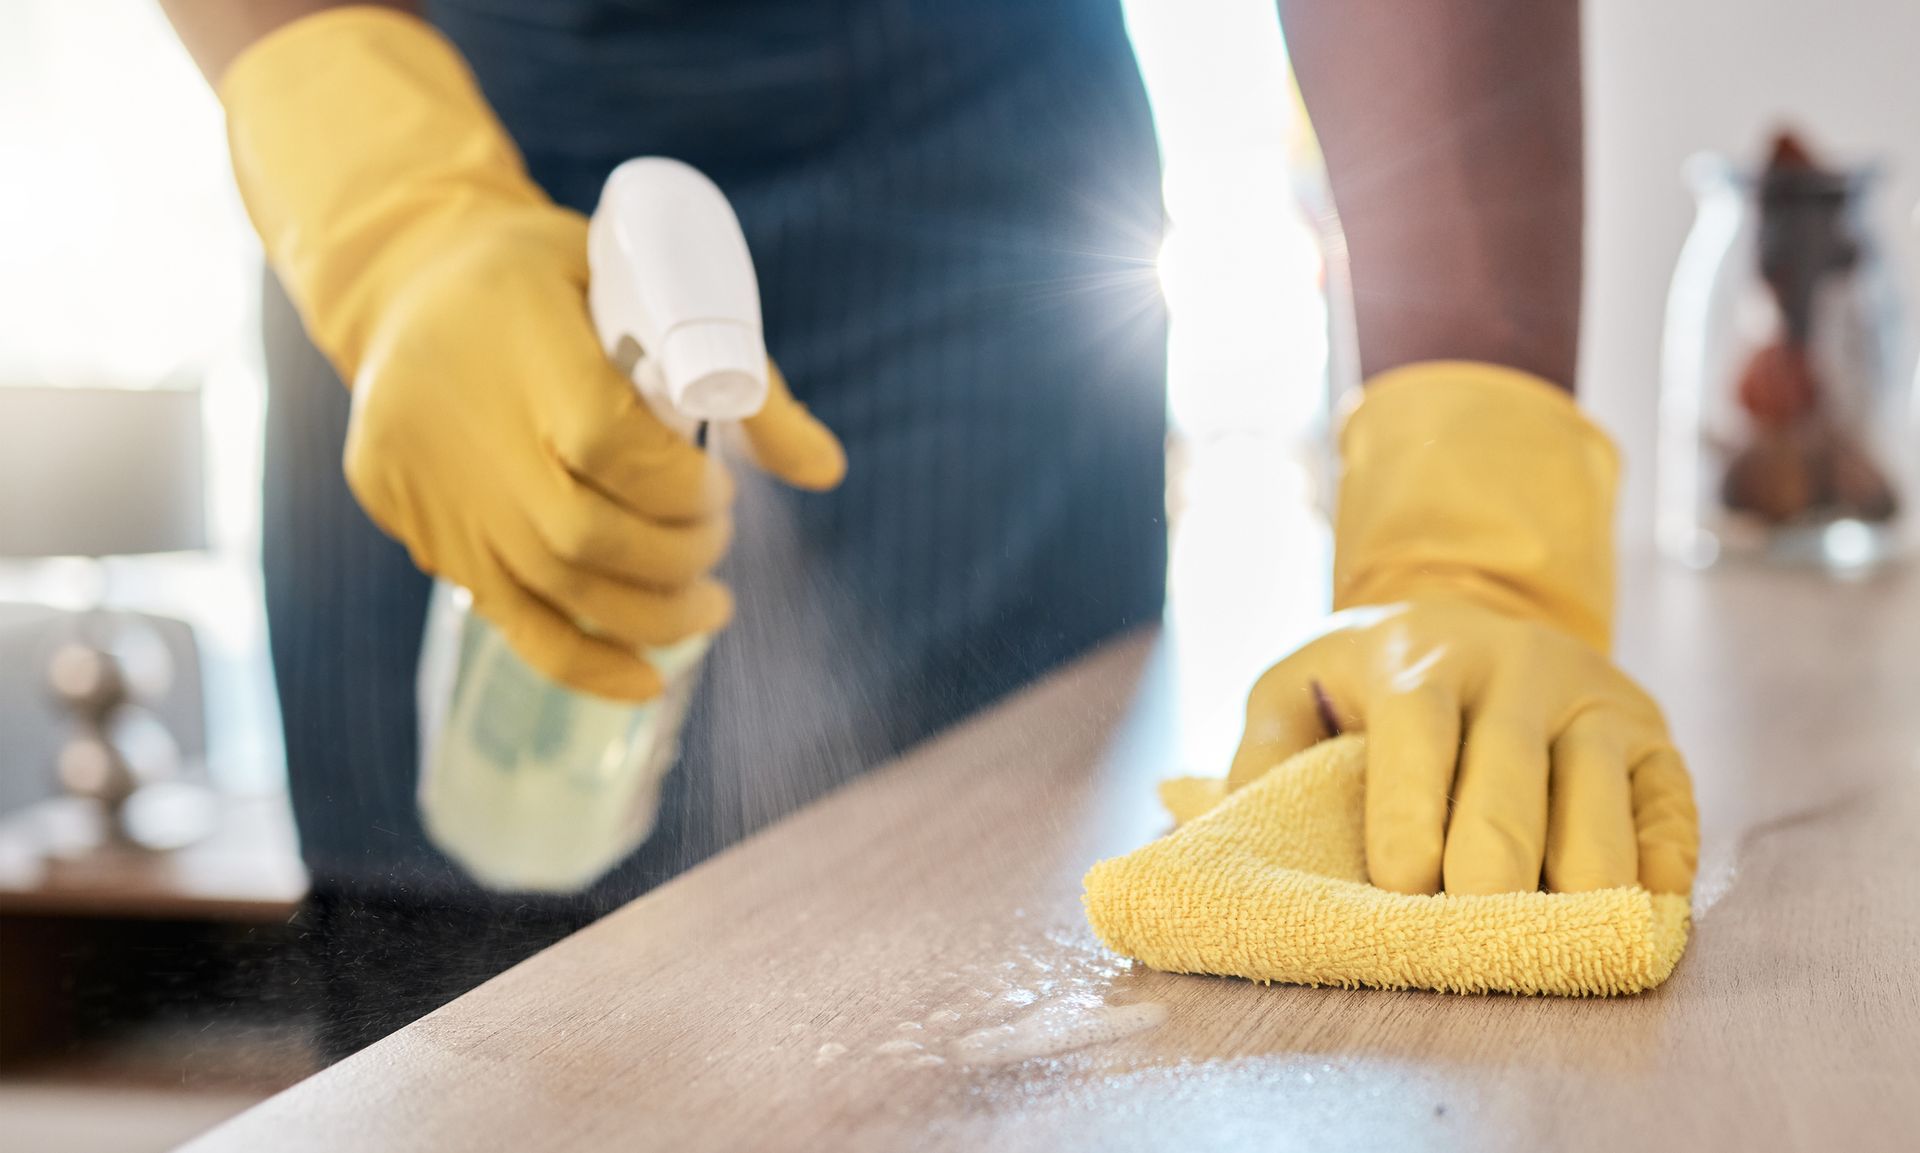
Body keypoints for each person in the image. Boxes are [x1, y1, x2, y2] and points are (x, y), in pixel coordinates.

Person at [160, 0, 1696, 1060]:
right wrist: (385, 208)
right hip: (429, 133)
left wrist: (1469, 513)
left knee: (997, 1016)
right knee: (463, 1043)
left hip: (979, 196)